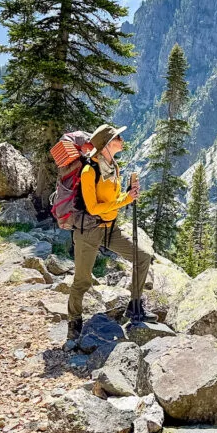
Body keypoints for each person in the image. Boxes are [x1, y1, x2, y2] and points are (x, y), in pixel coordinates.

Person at [67, 124, 154, 342]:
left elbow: (109, 199)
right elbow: (94, 207)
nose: (122, 140)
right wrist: (125, 199)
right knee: (82, 281)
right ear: (107, 144)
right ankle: (74, 322)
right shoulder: (90, 171)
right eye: (118, 137)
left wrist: (128, 192)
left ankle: (134, 307)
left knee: (142, 257)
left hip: (110, 228)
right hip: (88, 230)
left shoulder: (113, 166)